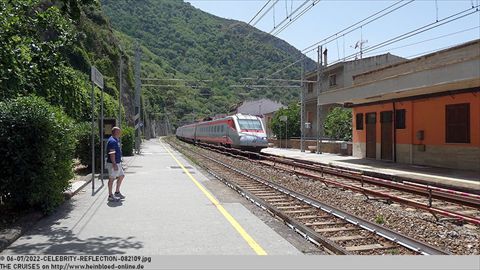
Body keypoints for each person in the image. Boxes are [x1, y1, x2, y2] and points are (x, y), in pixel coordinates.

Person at [106, 126, 126, 202]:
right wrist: (114, 164)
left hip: (117, 162)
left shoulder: (115, 140)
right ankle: (110, 195)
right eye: (119, 132)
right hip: (113, 163)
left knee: (121, 176)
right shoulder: (112, 141)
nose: (121, 133)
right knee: (111, 179)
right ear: (116, 132)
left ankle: (117, 192)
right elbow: (112, 153)